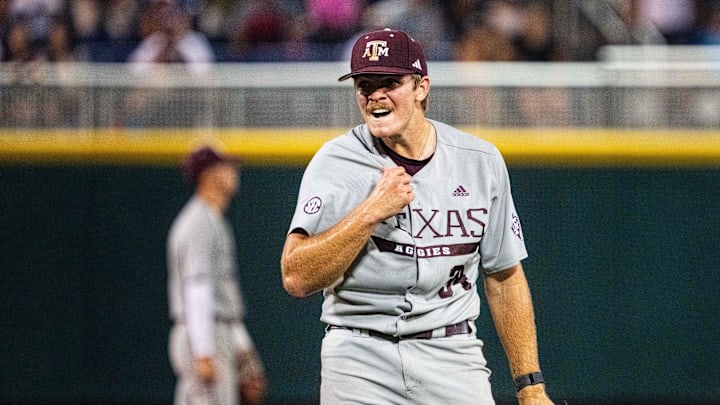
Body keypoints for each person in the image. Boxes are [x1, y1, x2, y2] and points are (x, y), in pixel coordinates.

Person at [281, 28, 555, 405]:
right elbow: (296, 275)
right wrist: (369, 212)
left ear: (421, 87)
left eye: (389, 82)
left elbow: (505, 275)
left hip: (452, 352)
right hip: (360, 357)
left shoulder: (479, 160)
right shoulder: (335, 162)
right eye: (364, 84)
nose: (375, 94)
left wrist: (531, 386)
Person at [167, 146, 267, 405]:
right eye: (227, 166)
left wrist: (242, 348)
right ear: (209, 174)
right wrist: (203, 351)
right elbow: (197, 287)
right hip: (203, 330)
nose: (234, 172)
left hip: (219, 328)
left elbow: (222, 293)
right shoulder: (198, 222)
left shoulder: (213, 220)